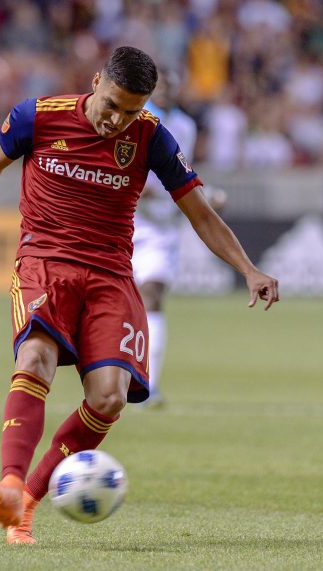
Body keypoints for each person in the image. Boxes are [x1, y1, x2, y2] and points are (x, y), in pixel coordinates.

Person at [0, 46, 279, 544]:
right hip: (45, 263)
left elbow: (199, 213)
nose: (118, 119)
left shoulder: (151, 136)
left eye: (132, 110)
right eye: (112, 104)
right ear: (95, 82)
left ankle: (28, 504)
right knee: (35, 359)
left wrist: (248, 268)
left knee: (108, 399)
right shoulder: (36, 116)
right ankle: (11, 483)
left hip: (110, 275)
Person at [131, 70, 198, 408]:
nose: (171, 89)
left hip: (160, 225)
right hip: (125, 218)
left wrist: (198, 194)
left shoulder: (186, 126)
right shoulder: (134, 117)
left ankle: (149, 386)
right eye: (165, 84)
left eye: (175, 83)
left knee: (152, 295)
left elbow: (184, 169)